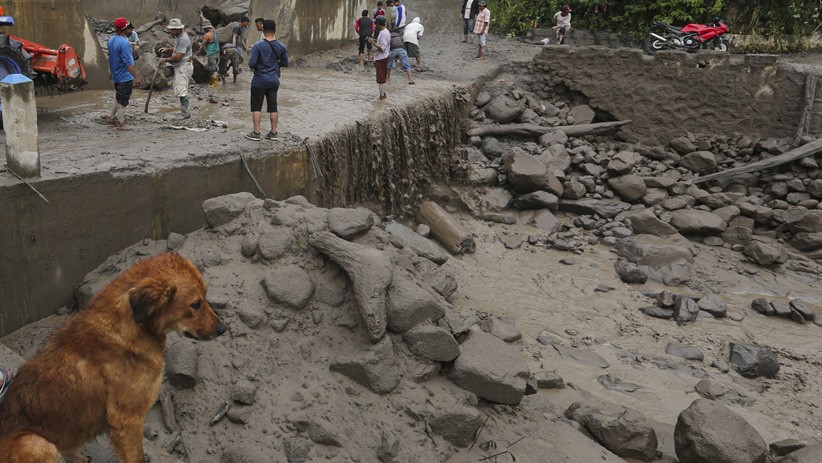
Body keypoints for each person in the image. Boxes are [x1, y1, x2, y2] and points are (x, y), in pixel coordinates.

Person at [245, 19, 288, 141]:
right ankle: (273, 133)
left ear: (263, 30)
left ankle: (256, 133)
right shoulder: (281, 46)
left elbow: (252, 64)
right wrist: (274, 66)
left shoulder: (258, 46)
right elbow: (285, 63)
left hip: (259, 80)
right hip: (274, 80)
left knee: (256, 107)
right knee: (273, 107)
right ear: (275, 30)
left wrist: (261, 66)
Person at [106, 17, 142, 130]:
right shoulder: (124, 43)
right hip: (125, 76)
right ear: (124, 29)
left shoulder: (111, 40)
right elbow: (128, 63)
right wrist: (136, 77)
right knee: (123, 101)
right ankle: (121, 124)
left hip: (116, 75)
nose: (130, 30)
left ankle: (111, 117)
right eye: (128, 27)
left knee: (118, 96)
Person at [159, 18, 193, 119]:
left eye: (173, 29)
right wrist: (168, 49)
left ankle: (185, 113)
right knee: (181, 89)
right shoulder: (179, 36)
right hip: (182, 66)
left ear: (179, 29)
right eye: (171, 29)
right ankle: (185, 112)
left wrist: (165, 59)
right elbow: (177, 49)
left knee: (182, 90)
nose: (171, 31)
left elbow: (178, 56)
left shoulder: (183, 39)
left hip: (183, 67)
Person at [367, 16, 390, 100]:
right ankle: (383, 95)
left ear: (378, 24)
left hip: (381, 58)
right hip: (384, 57)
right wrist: (375, 41)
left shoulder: (383, 34)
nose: (375, 25)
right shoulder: (385, 31)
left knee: (381, 78)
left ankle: (382, 96)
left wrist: (373, 42)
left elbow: (383, 48)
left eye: (375, 23)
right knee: (382, 77)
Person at [199, 19, 220, 85]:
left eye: (204, 28)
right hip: (217, 53)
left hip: (212, 53)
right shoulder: (214, 33)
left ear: (207, 28)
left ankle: (215, 84)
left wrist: (199, 51)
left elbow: (203, 45)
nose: (204, 30)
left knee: (212, 69)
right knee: (215, 67)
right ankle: (215, 82)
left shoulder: (207, 35)